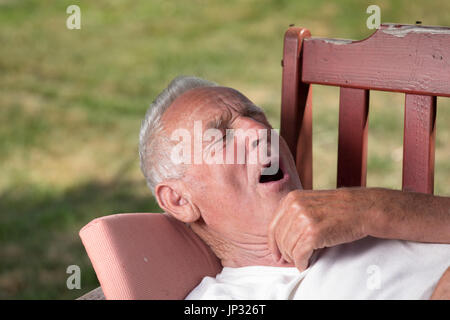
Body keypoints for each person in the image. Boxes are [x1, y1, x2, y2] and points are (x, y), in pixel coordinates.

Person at [139, 76, 450, 299]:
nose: (260, 130)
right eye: (220, 137)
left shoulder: (373, 215)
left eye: (255, 116)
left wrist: (374, 210)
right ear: (179, 200)